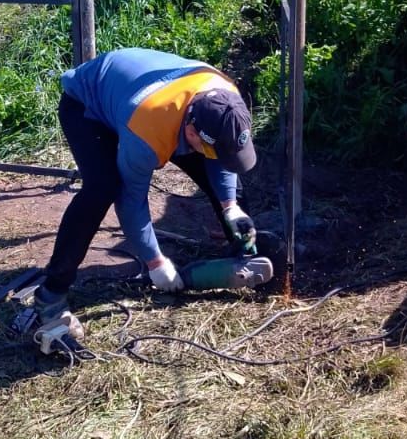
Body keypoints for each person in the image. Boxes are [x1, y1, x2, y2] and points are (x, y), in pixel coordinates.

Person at [33, 47, 257, 336]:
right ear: (191, 132)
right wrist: (155, 261)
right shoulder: (148, 131)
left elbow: (223, 158)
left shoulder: (226, 101)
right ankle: (52, 291)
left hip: (143, 100)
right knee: (103, 188)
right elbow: (131, 202)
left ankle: (244, 254)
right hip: (88, 106)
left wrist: (231, 207)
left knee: (229, 185)